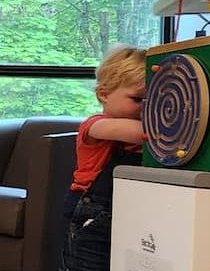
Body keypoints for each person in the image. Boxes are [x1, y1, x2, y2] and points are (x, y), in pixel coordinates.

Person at [62, 46, 149, 271]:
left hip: (130, 209)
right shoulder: (95, 125)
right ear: (104, 94)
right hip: (91, 213)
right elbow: (141, 133)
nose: (145, 107)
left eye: (153, 100)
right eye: (137, 99)